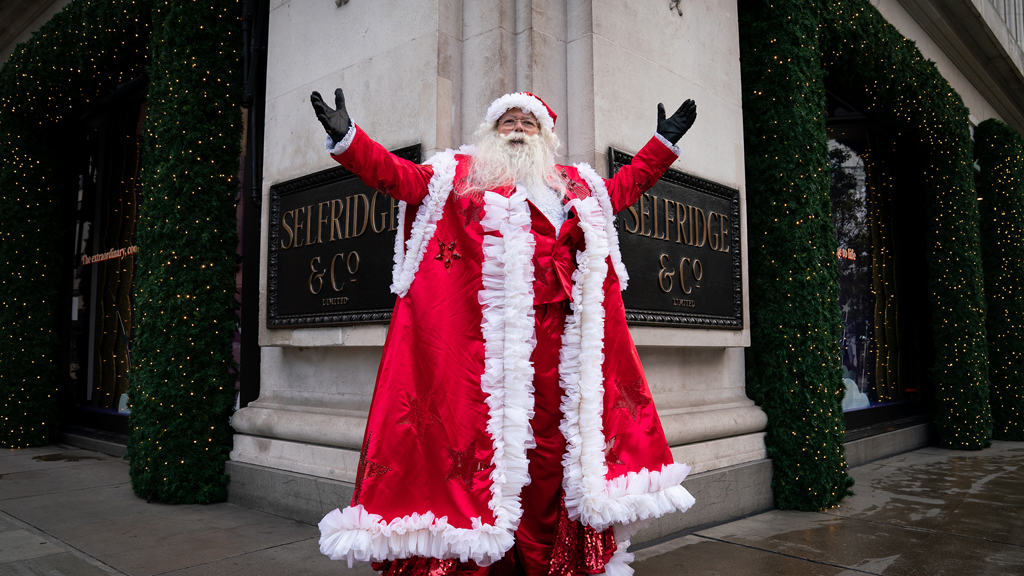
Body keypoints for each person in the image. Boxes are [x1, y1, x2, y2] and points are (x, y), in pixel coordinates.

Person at [311, 88, 697, 576]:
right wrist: (347, 138)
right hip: (488, 361)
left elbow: (623, 189)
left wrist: (661, 145)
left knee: (554, 462)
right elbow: (398, 178)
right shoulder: (459, 179)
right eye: (508, 122)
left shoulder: (576, 185)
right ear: (491, 133)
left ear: (546, 136)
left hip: (563, 360)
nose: (517, 129)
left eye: (528, 123)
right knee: (486, 464)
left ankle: (550, 562)